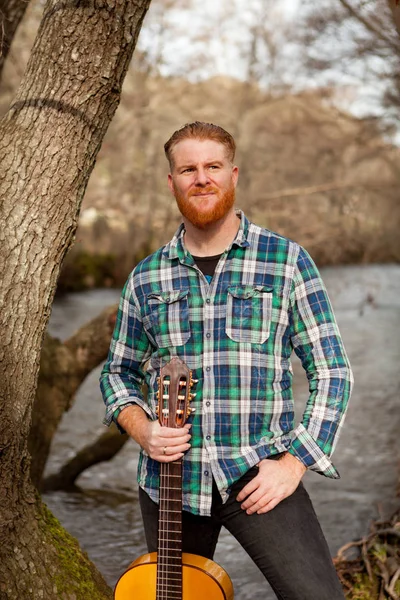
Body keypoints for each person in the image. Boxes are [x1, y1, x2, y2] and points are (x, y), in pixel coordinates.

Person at [100, 121, 353, 599]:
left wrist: (294, 463)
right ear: (171, 181)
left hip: (259, 473)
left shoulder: (286, 261)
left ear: (233, 174)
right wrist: (142, 429)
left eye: (212, 166)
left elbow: (333, 371)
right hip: (172, 484)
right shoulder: (146, 278)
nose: (201, 178)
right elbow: (118, 373)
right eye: (187, 168)